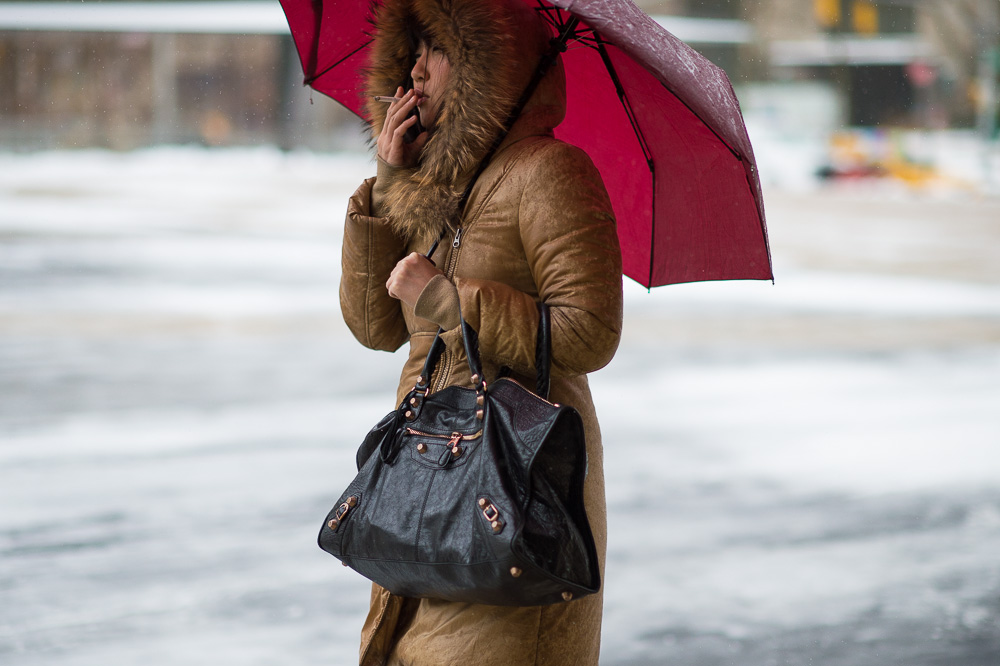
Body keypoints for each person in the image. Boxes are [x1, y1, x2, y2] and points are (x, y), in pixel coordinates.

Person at [339, 0, 623, 663]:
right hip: (428, 476)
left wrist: (449, 299)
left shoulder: (550, 174)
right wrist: (387, 186)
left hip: (513, 486)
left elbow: (589, 333)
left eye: (433, 50)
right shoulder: (437, 185)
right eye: (408, 53)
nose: (414, 69)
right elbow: (375, 326)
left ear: (484, 68)